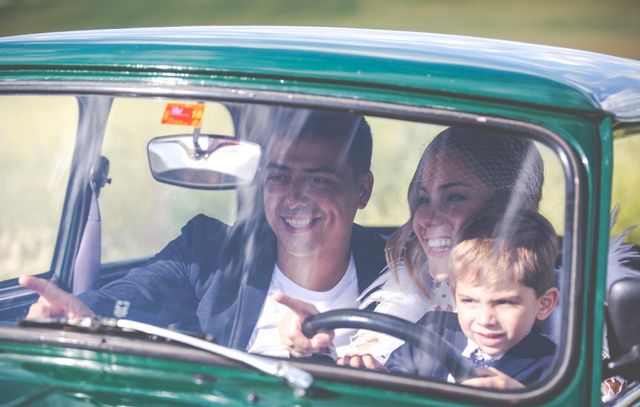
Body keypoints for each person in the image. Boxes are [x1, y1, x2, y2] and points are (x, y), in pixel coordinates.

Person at [19, 109, 387, 355]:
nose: (293, 197)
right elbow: (137, 293)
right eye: (277, 176)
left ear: (362, 190)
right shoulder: (208, 254)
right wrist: (84, 314)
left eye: (318, 179)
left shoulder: (397, 273)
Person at [280, 126, 545, 362]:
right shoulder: (412, 281)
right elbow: (370, 363)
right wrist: (316, 348)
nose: (427, 218)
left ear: (505, 207)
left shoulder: (550, 295)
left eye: (454, 198)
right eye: (423, 199)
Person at [385, 209, 560, 389]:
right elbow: (393, 379)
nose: (485, 319)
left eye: (504, 303)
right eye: (469, 301)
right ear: (455, 295)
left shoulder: (554, 371)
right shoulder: (432, 331)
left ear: (544, 304)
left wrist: (521, 399)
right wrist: (370, 373)